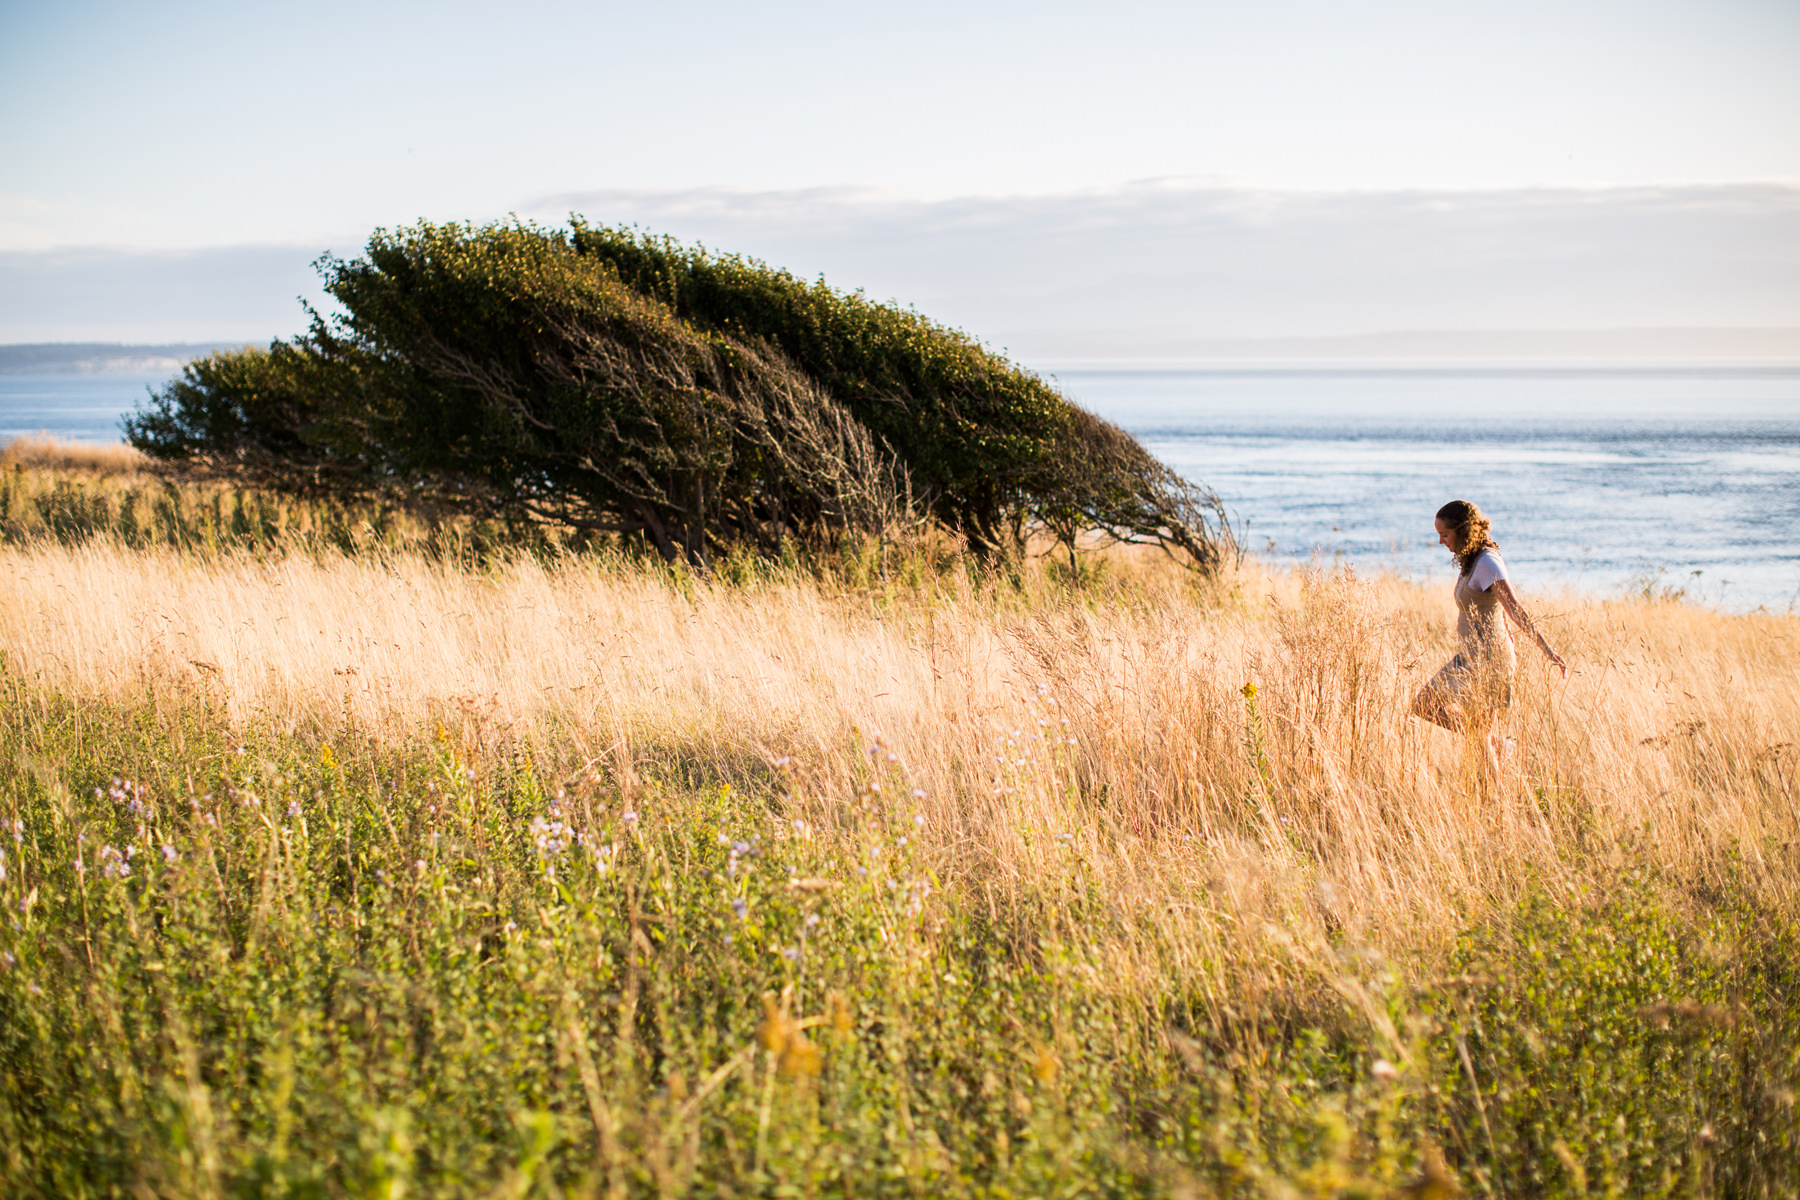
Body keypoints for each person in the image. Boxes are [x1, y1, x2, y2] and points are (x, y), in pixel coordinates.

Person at [1411, 500, 1567, 767]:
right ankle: (1498, 744)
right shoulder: (1471, 560)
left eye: (1444, 535)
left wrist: (1546, 648)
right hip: (1471, 656)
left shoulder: (1487, 563)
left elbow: (1514, 607)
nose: (1440, 542)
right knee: (1425, 705)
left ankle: (1495, 796)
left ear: (1462, 531)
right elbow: (1495, 608)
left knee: (1478, 742)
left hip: (1490, 661)